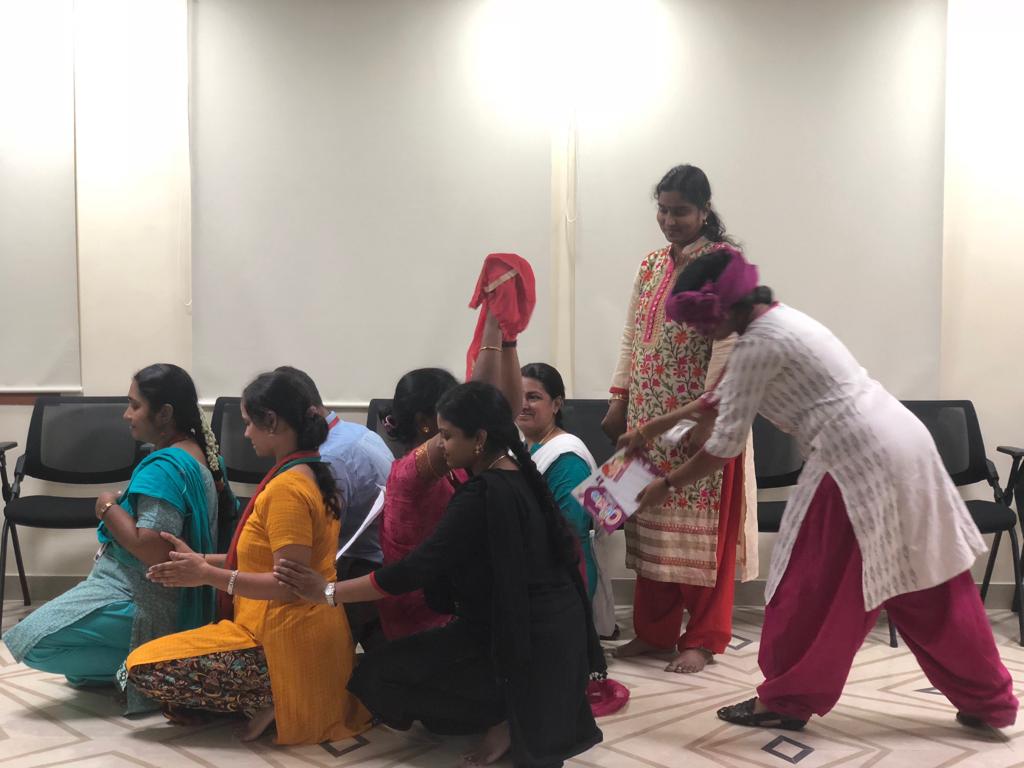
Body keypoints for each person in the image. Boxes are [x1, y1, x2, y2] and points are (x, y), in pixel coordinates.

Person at [630, 245, 1018, 731]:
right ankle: (989, 700)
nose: (698, 332)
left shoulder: (755, 346)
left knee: (811, 586)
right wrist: (648, 430)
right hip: (901, 444)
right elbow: (716, 400)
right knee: (929, 581)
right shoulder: (780, 321)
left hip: (854, 460)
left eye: (702, 322)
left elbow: (723, 446)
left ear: (725, 308)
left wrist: (665, 485)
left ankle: (786, 701)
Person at [274, 381, 605, 768]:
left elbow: (413, 570)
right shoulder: (519, 473)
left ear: (479, 439)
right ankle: (508, 713)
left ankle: (507, 715)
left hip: (529, 641)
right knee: (395, 669)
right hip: (548, 634)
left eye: (447, 435)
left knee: (380, 676)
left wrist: (327, 591)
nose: (441, 445)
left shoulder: (482, 493)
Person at [124, 369, 371, 744]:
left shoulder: (288, 489)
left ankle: (277, 696)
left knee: (142, 667)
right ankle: (268, 693)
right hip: (291, 631)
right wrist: (201, 560)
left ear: (272, 421)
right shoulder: (309, 471)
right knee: (152, 662)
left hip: (285, 643)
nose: (246, 433)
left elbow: (288, 586)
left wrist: (207, 575)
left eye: (249, 423)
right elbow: (261, 559)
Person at [602, 164, 758, 673]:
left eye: (681, 212)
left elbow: (729, 344)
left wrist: (708, 418)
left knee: (704, 536)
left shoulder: (725, 263)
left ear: (705, 211)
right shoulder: (650, 265)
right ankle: (655, 632)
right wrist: (619, 398)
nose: (670, 221)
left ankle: (704, 638)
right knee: (652, 522)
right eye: (663, 210)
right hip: (649, 415)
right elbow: (632, 334)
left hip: (700, 417)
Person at [3, 364, 225, 714]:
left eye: (135, 405)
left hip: (145, 600)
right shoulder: (194, 451)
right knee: (75, 672)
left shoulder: (166, 468)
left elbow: (153, 549)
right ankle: (141, 666)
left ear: (164, 413)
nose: (126, 414)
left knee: (33, 643)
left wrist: (106, 506)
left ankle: (150, 667)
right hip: (147, 590)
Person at [377, 308, 523, 640]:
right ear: (425, 422)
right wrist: (492, 322)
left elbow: (501, 415)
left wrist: (509, 338)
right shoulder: (409, 475)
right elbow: (479, 411)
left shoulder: (459, 459)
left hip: (457, 601)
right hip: (424, 618)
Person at [275, 365, 393, 652]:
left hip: (357, 569)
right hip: (382, 561)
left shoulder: (328, 458)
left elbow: (319, 538)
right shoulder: (357, 432)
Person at [517, 362, 597, 598]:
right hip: (534, 571)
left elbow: (570, 528)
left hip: (565, 578)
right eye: (518, 396)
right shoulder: (519, 448)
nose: (523, 405)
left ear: (556, 404)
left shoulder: (566, 457)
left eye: (533, 397)